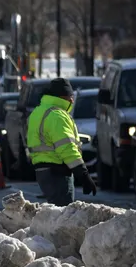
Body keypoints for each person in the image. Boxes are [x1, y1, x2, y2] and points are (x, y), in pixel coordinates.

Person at [26, 78, 97, 206]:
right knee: (63, 215)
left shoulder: (38, 112)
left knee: (56, 213)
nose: (72, 100)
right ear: (64, 96)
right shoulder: (57, 116)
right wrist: (83, 174)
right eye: (71, 96)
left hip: (43, 171)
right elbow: (66, 148)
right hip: (58, 172)